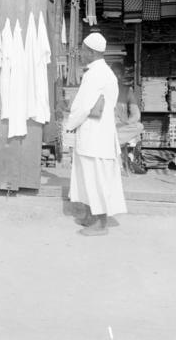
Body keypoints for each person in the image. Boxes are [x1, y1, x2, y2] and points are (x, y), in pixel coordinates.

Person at [65, 32, 127, 236]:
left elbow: (82, 106)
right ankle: (92, 217)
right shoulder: (103, 72)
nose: (81, 53)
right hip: (97, 134)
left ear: (91, 52)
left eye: (83, 50)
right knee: (90, 177)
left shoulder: (95, 74)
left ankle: (100, 224)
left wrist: (69, 124)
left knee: (96, 178)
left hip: (95, 136)